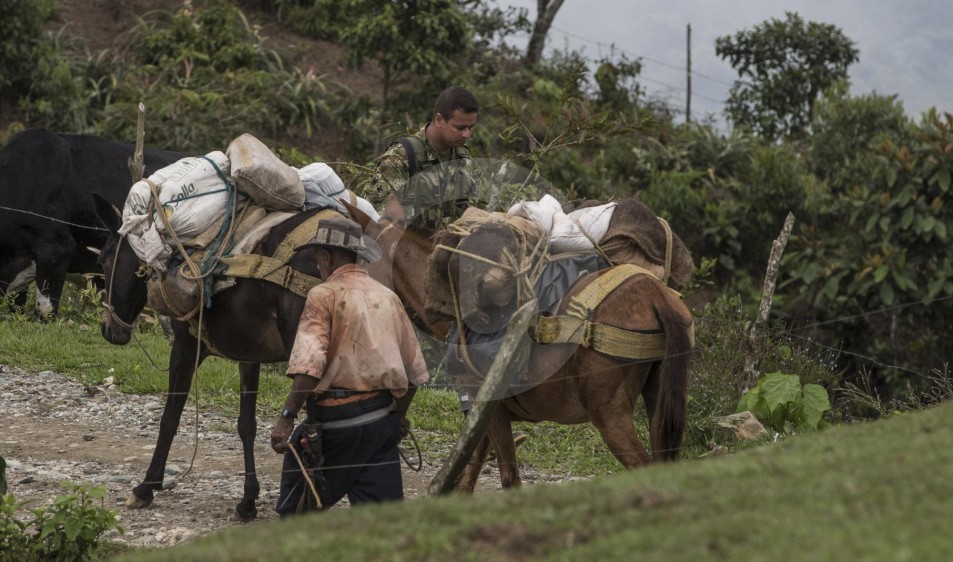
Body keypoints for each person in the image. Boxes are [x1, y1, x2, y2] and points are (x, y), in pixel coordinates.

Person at [270, 217, 429, 517]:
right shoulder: (388, 297)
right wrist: (397, 419)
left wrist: (287, 417)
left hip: (337, 427)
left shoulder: (323, 295)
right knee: (384, 522)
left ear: (326, 257)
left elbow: (309, 367)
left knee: (296, 510)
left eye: (318, 260)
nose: (319, 268)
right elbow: (414, 375)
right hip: (381, 424)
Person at [365, 85, 482, 228]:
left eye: (471, 128)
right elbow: (377, 216)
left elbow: (468, 207)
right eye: (460, 128)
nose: (467, 134)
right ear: (439, 120)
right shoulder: (402, 156)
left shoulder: (461, 157)